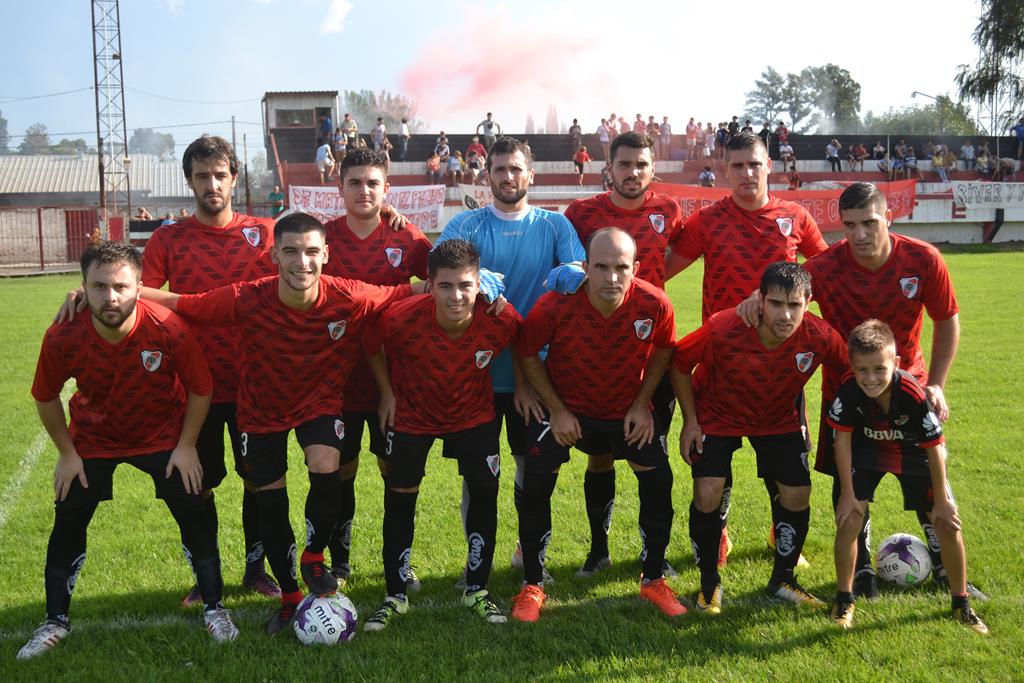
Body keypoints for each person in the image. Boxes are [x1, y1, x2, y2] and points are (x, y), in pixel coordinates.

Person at [141, 212, 423, 634]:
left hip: (319, 405)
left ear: (325, 255)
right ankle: (290, 597)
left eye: (311, 252)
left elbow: (405, 291)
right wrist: (115, 291)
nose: (301, 262)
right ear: (274, 255)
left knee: (327, 466)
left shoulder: (348, 295)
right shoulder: (247, 297)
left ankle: (313, 556)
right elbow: (184, 303)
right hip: (261, 410)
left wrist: (479, 283)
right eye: (290, 251)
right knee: (270, 502)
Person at [18, 242, 237, 661]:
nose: (111, 297)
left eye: (121, 286)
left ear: (139, 286)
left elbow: (201, 388)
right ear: (83, 287)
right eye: (99, 287)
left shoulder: (167, 327)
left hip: (161, 434)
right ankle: (54, 621)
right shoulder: (63, 334)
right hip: (94, 438)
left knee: (192, 504)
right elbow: (45, 396)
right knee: (68, 514)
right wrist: (67, 454)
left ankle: (215, 607)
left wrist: (186, 445)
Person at [782, 182, 982, 601]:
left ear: (888, 218)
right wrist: (752, 301)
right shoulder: (824, 267)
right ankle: (861, 571)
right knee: (850, 482)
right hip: (847, 395)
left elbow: (946, 319)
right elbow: (784, 296)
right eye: (850, 225)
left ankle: (945, 566)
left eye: (869, 223)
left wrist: (937, 383)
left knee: (928, 481)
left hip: (909, 392)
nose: (859, 234)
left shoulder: (923, 259)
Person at [666, 132, 827, 566]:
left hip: (780, 368)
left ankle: (780, 532)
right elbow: (661, 270)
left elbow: (827, 272)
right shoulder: (707, 221)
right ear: (724, 171)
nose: (747, 173)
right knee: (714, 468)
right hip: (720, 365)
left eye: (754, 164)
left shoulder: (795, 216)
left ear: (769, 166)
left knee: (783, 464)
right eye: (737, 166)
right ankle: (718, 535)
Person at [512, 228, 683, 622]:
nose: (611, 277)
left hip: (626, 410)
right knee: (535, 481)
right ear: (585, 267)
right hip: (568, 409)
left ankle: (653, 579)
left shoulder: (654, 303)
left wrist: (642, 404)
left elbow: (663, 348)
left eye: (621, 267)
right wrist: (556, 409)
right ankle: (532, 584)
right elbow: (526, 350)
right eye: (601, 267)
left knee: (659, 480)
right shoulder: (554, 305)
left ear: (635, 267)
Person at [436, 137, 586, 586]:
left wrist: (562, 276)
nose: (508, 177)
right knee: (477, 475)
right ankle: (475, 561)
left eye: (516, 169)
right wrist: (474, 278)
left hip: (536, 374)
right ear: (487, 176)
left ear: (530, 175)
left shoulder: (555, 226)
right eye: (499, 169)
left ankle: (529, 552)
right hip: (476, 374)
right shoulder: (465, 225)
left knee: (531, 469)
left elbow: (578, 275)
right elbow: (437, 270)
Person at [362, 239, 522, 631]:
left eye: (466, 285)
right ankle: (395, 594)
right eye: (446, 286)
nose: (456, 296)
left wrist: (526, 388)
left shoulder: (500, 318)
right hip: (412, 416)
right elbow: (370, 343)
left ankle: (477, 589)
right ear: (429, 285)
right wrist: (386, 392)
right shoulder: (400, 319)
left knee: (484, 493)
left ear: (479, 283)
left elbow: (525, 343)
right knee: (400, 498)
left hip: (473, 416)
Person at [673, 262, 847, 614]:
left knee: (798, 493)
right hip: (717, 413)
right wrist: (690, 421)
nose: (785, 314)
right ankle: (709, 583)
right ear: (760, 300)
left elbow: (849, 372)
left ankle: (783, 580)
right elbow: (679, 362)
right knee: (708, 491)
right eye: (776, 304)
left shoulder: (820, 336)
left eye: (794, 305)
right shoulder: (724, 327)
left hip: (777, 418)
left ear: (808, 302)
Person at [561, 132, 684, 579]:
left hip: (651, 355)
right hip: (597, 354)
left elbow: (681, 253)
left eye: (641, 165)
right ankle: (599, 551)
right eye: (625, 164)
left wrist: (650, 291)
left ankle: (655, 555)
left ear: (653, 169)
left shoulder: (668, 210)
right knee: (599, 457)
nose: (633, 172)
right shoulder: (580, 214)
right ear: (609, 167)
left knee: (651, 457)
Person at [828, 320, 988, 634]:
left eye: (879, 369)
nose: (870, 378)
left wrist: (942, 500)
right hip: (868, 451)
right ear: (852, 366)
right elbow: (842, 442)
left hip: (912, 452)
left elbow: (935, 449)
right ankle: (844, 599)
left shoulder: (912, 393)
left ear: (896, 363)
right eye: (862, 370)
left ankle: (961, 604)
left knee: (947, 523)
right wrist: (847, 493)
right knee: (849, 520)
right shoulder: (848, 390)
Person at [320, 148, 434, 587]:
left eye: (373, 183)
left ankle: (399, 564)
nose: (364, 191)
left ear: (387, 188)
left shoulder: (408, 238)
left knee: (397, 476)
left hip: (397, 381)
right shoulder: (324, 238)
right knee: (339, 474)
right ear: (340, 187)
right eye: (355, 182)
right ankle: (339, 563)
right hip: (338, 383)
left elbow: (438, 284)